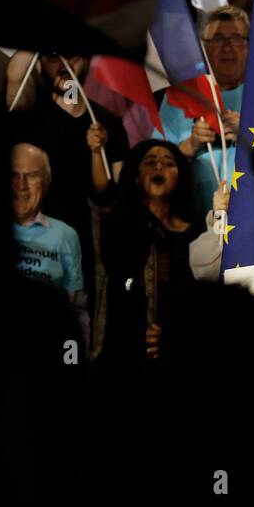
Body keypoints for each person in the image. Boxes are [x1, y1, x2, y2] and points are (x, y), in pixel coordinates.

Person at [2, 51, 129, 304]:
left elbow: (111, 195)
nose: (65, 65)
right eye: (53, 57)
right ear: (38, 65)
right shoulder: (28, 113)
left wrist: (96, 151)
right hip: (32, 245)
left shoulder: (107, 123)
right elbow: (14, 75)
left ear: (87, 61)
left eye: (73, 56)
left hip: (84, 247)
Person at [94, 140, 224, 368]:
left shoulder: (193, 233)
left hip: (180, 350)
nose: (159, 168)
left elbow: (199, 294)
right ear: (135, 176)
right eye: (150, 162)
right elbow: (121, 282)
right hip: (126, 350)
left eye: (169, 163)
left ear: (180, 177)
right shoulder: (117, 224)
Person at [158, 5, 247, 217]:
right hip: (195, 225)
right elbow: (154, 164)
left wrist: (248, 135)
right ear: (203, 47)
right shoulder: (179, 96)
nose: (227, 47)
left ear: (249, 45)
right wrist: (191, 144)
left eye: (236, 38)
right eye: (217, 39)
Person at [10, 143, 89, 348]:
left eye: (32, 175)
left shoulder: (65, 234)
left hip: (46, 348)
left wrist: (75, 363)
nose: (21, 185)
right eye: (14, 175)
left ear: (47, 181)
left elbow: (78, 308)